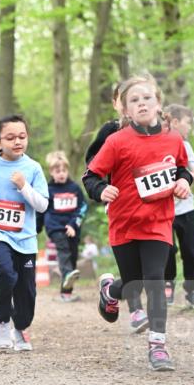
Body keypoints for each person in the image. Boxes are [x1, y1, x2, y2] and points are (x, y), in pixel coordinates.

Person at [84, 76, 192, 372]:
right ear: (125, 111)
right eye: (134, 100)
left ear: (158, 103)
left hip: (159, 222)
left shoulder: (173, 139)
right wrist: (100, 190)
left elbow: (183, 169)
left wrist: (183, 182)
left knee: (155, 279)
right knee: (134, 282)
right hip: (124, 223)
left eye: (147, 98)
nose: (142, 103)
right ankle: (110, 291)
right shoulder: (117, 141)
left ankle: (158, 346)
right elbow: (90, 176)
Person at [0, 115, 48, 352]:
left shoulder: (33, 168)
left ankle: (20, 327)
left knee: (26, 289)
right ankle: (3, 321)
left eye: (22, 137)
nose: (17, 141)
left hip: (25, 237)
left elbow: (42, 205)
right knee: (4, 272)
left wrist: (24, 186)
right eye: (11, 137)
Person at [84, 83, 148, 334]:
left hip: (152, 207)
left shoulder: (152, 128)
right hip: (121, 203)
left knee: (150, 266)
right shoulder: (111, 131)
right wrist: (101, 188)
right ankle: (136, 310)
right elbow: (91, 165)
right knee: (131, 264)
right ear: (116, 103)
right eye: (126, 99)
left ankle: (110, 290)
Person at [162, 105, 194, 309]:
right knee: (167, 250)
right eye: (188, 122)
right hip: (164, 209)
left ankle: (192, 291)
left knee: (191, 252)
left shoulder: (186, 146)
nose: (190, 127)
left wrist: (183, 178)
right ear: (175, 122)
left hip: (186, 207)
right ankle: (167, 285)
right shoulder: (158, 145)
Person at [44, 151, 87, 302]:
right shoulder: (48, 190)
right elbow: (42, 209)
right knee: (64, 253)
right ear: (51, 172)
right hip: (55, 227)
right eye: (57, 171)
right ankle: (67, 273)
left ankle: (66, 293)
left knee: (72, 257)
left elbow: (82, 207)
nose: (61, 174)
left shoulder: (75, 188)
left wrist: (73, 224)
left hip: (73, 228)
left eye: (64, 170)